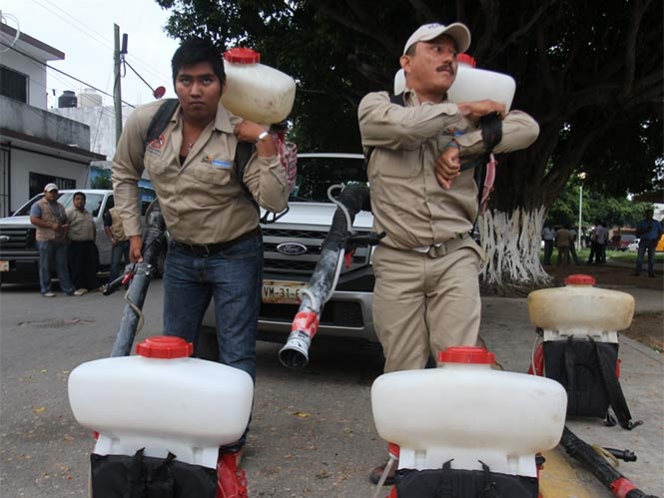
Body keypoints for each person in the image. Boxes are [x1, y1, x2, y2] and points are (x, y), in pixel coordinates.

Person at [358, 22, 539, 484]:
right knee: (401, 366)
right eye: (435, 49)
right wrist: (462, 111)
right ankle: (402, 456)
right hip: (397, 256)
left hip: (455, 254)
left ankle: (451, 454)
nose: (447, 57)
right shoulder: (377, 106)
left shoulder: (470, 123)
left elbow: (527, 126)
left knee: (457, 359)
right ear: (406, 63)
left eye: (452, 52)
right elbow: (399, 128)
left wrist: (466, 144)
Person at [111, 37, 288, 486]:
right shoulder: (148, 122)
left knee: (235, 352)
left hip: (237, 252)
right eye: (186, 80)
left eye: (206, 80)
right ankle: (179, 429)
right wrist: (132, 229)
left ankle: (231, 440)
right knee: (175, 349)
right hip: (183, 256)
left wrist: (266, 141)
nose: (195, 90)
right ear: (175, 83)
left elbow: (274, 200)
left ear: (221, 84)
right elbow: (123, 172)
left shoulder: (245, 131)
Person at [29, 183, 84, 297]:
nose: (53, 194)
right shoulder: (38, 205)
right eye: (50, 192)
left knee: (62, 265)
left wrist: (65, 226)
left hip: (59, 239)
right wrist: (50, 225)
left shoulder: (60, 206)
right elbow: (34, 220)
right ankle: (46, 289)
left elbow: (64, 220)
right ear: (45, 193)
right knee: (45, 265)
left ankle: (68, 289)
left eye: (55, 192)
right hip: (45, 238)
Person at [66, 191, 100, 293]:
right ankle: (79, 286)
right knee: (77, 266)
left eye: (82, 199)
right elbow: (65, 228)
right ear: (73, 201)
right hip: (76, 243)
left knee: (91, 265)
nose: (80, 201)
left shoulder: (88, 213)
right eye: (77, 199)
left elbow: (92, 227)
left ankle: (92, 286)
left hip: (89, 243)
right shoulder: (69, 213)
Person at [103, 207, 130, 283]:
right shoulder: (111, 212)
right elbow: (106, 226)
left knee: (129, 264)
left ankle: (128, 282)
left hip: (128, 240)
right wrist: (111, 238)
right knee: (115, 264)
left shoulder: (128, 210)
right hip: (118, 241)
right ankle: (113, 283)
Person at [634, 208, 663, 277]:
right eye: (648, 214)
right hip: (644, 240)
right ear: (646, 214)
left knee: (652, 258)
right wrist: (645, 230)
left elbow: (661, 232)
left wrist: (657, 239)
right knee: (640, 258)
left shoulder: (656, 223)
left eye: (651, 214)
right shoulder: (642, 223)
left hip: (652, 241)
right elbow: (637, 232)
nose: (649, 215)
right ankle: (638, 271)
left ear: (652, 214)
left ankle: (651, 272)